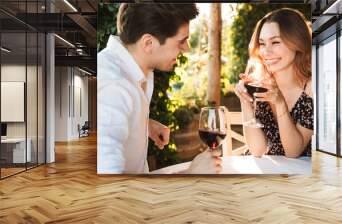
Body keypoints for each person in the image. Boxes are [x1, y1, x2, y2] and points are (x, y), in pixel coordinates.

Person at [97, 3, 221, 174]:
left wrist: (142, 124)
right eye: (181, 41)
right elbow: (109, 190)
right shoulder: (114, 87)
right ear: (148, 43)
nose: (186, 49)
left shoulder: (137, 70)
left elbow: (111, 118)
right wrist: (190, 175)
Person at [234, 8, 313, 158]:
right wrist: (245, 102)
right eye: (262, 43)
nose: (266, 52)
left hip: (298, 175)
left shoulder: (311, 87)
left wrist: (280, 103)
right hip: (266, 170)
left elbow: (293, 152)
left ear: (297, 42)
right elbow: (257, 150)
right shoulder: (260, 83)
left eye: (275, 42)